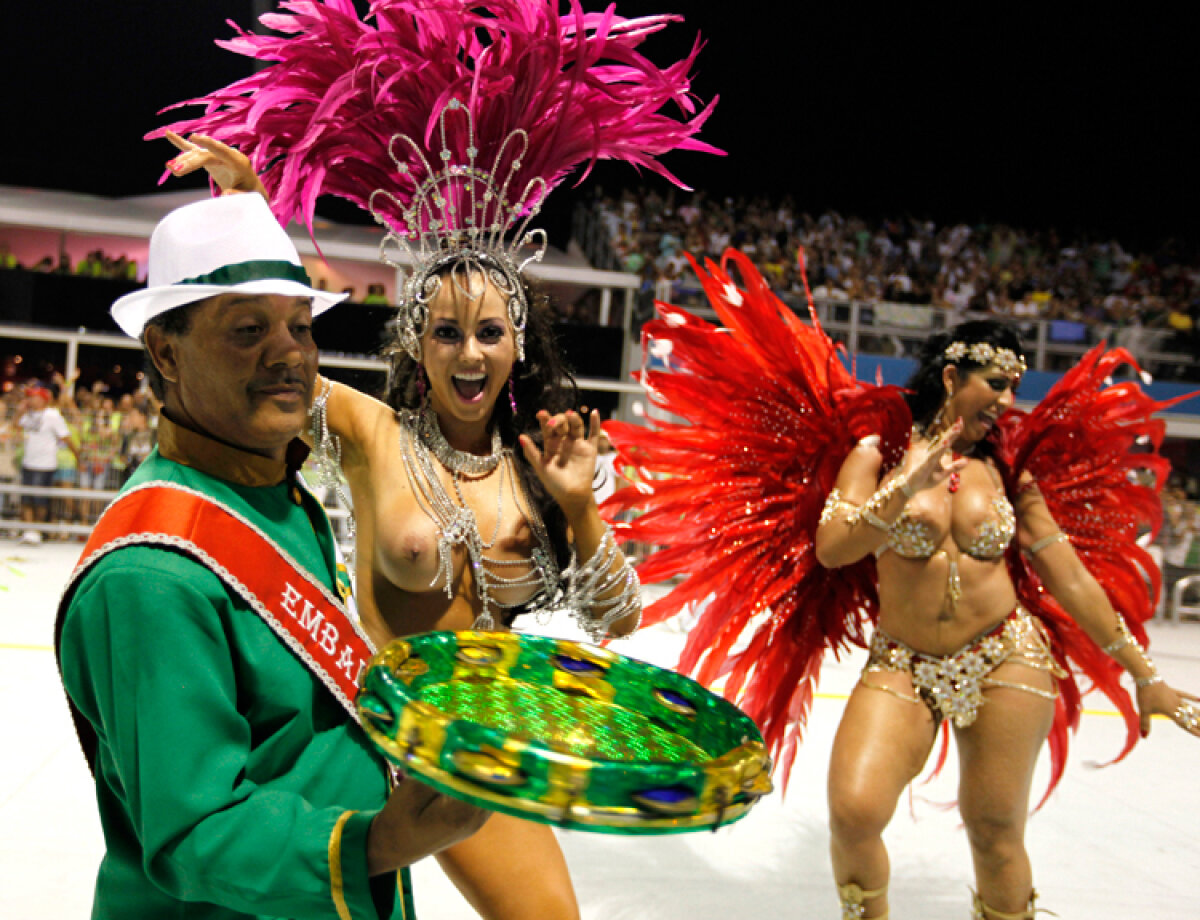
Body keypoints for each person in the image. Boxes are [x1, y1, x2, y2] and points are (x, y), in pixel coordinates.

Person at [153, 2, 717, 917]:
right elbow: (262, 371)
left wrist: (578, 510)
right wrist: (253, 218)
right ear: (416, 342)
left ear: (516, 345)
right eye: (446, 331)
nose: (468, 354)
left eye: (489, 333)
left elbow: (617, 618)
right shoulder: (374, 436)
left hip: (488, 743)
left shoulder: (540, 464)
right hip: (382, 733)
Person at [602, 255, 1200, 920]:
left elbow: (1070, 576)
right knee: (855, 811)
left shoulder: (1007, 472)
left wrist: (1143, 675)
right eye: (996, 383)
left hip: (1008, 654)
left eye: (1014, 386)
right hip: (904, 660)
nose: (1007, 401)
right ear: (951, 377)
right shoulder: (874, 453)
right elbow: (834, 548)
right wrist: (903, 490)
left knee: (995, 831)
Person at [56, 192, 489, 919]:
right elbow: (196, 834)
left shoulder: (276, 498)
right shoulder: (149, 576)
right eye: (248, 330)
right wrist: (378, 843)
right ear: (166, 350)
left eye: (298, 326)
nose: (289, 352)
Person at [17, 383, 79, 543]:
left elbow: (66, 437)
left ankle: (38, 530)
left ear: (43, 399)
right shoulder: (28, 415)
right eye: (30, 397)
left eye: (34, 397)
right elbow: (15, 427)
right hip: (28, 462)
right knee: (26, 499)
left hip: (45, 464)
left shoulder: (52, 415)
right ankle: (29, 531)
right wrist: (19, 412)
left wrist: (78, 458)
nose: (31, 400)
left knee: (40, 500)